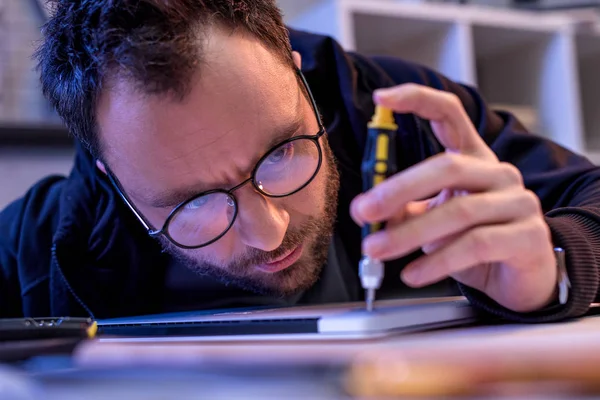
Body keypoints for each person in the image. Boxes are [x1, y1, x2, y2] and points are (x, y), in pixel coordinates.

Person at [1, 0, 598, 321]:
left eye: (282, 152)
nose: (271, 231)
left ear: (295, 70)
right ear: (114, 180)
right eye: (192, 203)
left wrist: (557, 260)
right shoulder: (48, 240)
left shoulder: (405, 112)